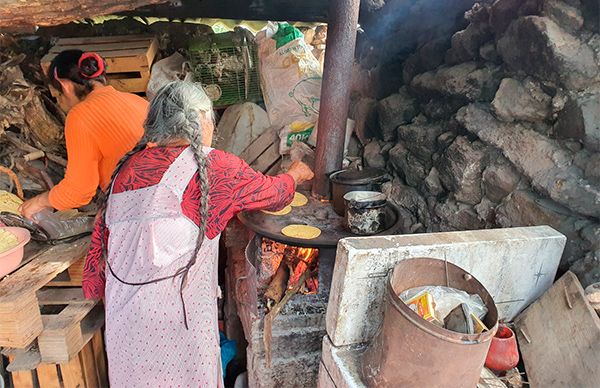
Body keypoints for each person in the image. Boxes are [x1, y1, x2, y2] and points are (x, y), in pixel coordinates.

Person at [82, 81, 314, 387]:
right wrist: (295, 174)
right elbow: (273, 194)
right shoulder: (212, 166)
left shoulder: (126, 170)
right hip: (177, 328)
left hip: (125, 323)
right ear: (200, 119)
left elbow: (96, 263)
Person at [19, 50, 148, 218]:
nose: (62, 103)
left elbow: (79, 191)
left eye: (58, 95)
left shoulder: (80, 115)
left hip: (141, 207)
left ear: (66, 85)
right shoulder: (137, 101)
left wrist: (37, 202)